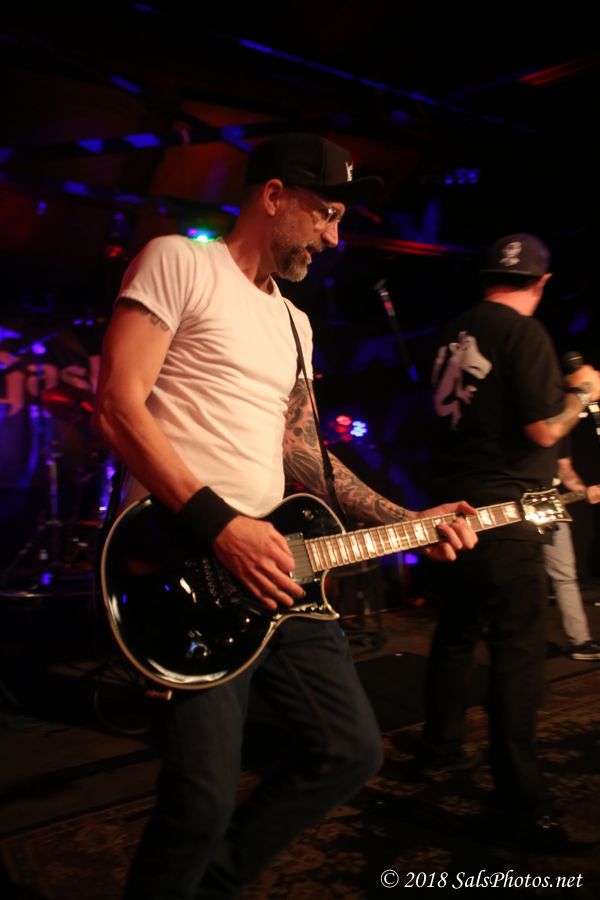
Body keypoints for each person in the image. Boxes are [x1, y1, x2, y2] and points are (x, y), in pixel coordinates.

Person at [92, 132, 477, 900]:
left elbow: (303, 454)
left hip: (279, 564)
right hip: (191, 559)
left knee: (349, 752)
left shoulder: (295, 324)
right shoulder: (179, 262)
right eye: (326, 214)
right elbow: (117, 406)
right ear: (273, 196)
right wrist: (222, 529)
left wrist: (410, 517)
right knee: (201, 803)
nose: (334, 238)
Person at [416, 233, 600, 850]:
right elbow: (544, 430)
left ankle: (439, 749)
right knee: (516, 656)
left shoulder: (451, 332)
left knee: (455, 633)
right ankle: (519, 805)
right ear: (541, 283)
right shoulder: (525, 334)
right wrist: (583, 393)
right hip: (504, 514)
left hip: (450, 511)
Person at [545, 438, 600, 660]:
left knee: (565, 575)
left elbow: (564, 469)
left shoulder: (560, 431)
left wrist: (583, 491)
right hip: (511, 506)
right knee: (518, 576)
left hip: (549, 505)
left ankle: (580, 641)